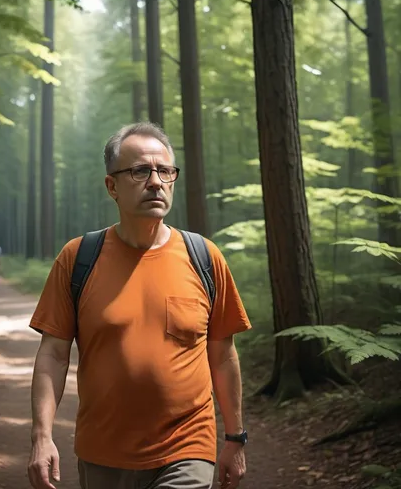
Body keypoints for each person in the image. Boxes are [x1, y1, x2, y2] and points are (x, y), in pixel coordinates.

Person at [27, 122, 252, 489]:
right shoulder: (78, 258)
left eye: (165, 171)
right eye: (140, 171)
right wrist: (41, 436)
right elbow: (53, 354)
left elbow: (223, 356)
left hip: (187, 448)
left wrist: (235, 438)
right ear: (111, 186)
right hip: (102, 454)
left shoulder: (204, 257)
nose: (156, 181)